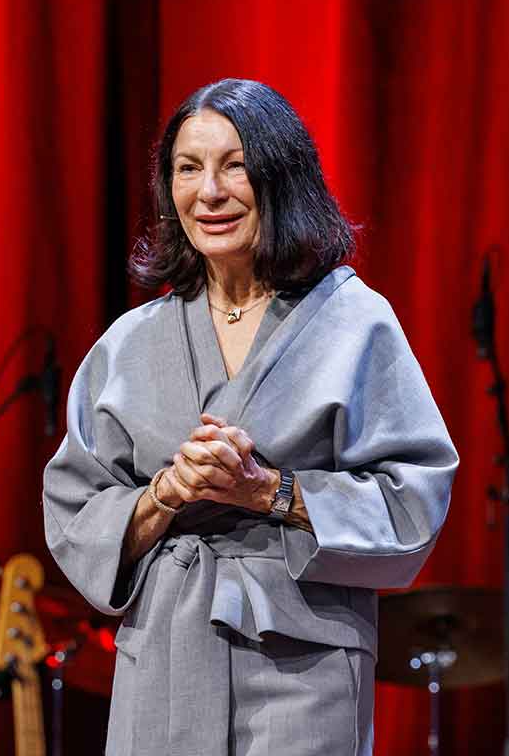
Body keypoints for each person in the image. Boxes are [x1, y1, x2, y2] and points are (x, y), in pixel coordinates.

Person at [43, 78, 457, 756]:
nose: (209, 191)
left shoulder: (354, 325)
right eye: (188, 168)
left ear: (281, 176)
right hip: (167, 660)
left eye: (235, 164)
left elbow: (413, 499)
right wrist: (165, 493)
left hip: (304, 658)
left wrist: (271, 492)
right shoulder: (129, 343)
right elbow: (74, 510)